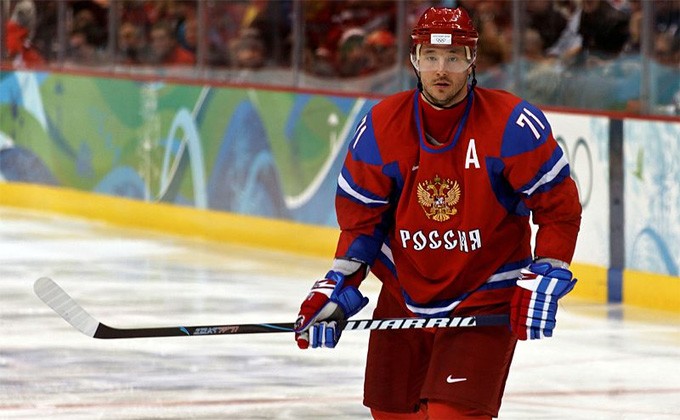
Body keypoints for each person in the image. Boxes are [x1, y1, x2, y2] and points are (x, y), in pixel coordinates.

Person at [294, 6, 582, 420]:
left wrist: (549, 268)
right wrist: (339, 283)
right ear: (414, 59)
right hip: (404, 294)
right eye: (430, 56)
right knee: (389, 413)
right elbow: (363, 223)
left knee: (452, 414)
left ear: (472, 59)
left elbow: (558, 207)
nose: (441, 69)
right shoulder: (381, 126)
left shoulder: (512, 125)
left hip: (484, 296)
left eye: (453, 57)